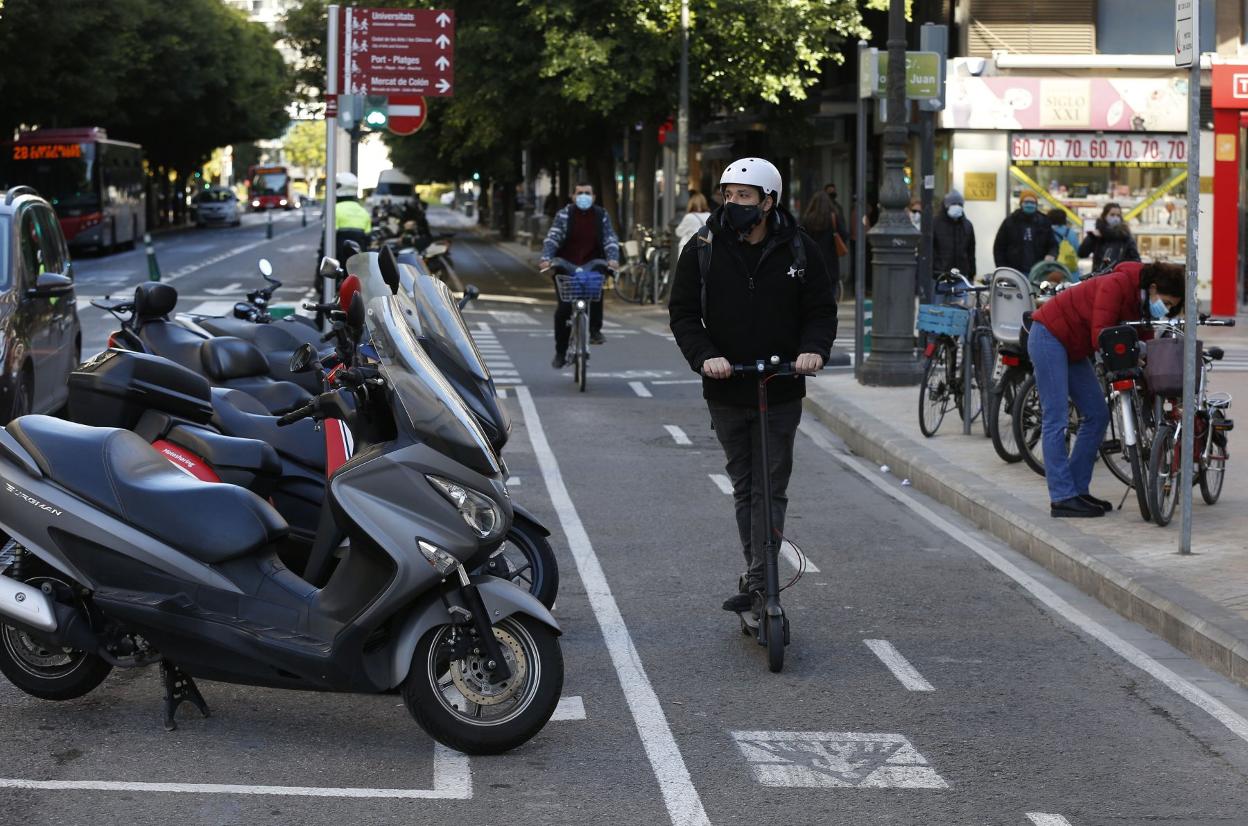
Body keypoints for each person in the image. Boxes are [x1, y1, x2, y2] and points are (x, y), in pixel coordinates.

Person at [667, 157, 837, 618]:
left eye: (744, 196)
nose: (734, 203)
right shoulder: (703, 247)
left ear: (768, 201)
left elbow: (821, 310)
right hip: (726, 387)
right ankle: (757, 571)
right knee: (746, 484)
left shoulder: (799, 249)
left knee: (772, 485)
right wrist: (706, 357)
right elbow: (682, 314)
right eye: (728, 195)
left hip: (780, 386)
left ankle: (764, 581)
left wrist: (813, 350)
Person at [1028, 261, 1185, 518]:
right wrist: (1135, 354)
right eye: (1166, 303)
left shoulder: (1140, 300)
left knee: (1097, 414)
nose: (1164, 309)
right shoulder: (1117, 284)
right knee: (1055, 418)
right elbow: (1101, 335)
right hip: (1049, 335)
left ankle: (1077, 489)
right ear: (1154, 288)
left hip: (1073, 346)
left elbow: (1143, 342)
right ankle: (1062, 497)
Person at [539, 181, 620, 367]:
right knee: (564, 310)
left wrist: (613, 259)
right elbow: (553, 237)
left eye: (588, 192)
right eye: (580, 192)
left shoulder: (601, 215)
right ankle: (560, 351)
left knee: (597, 289)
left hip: (592, 265)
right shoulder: (564, 214)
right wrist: (546, 258)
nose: (584, 196)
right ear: (573, 196)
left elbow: (609, 239)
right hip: (566, 266)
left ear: (593, 197)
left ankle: (595, 330)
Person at [993, 189, 1057, 274]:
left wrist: (1051, 255)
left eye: (1033, 202)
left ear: (1036, 204)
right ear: (1021, 204)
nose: (1029, 205)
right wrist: (1003, 269)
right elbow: (999, 247)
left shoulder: (1044, 222)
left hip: (1038, 272)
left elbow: (1053, 245)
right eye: (1026, 202)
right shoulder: (1010, 222)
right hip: (1014, 272)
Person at [799, 191, 843, 300]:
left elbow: (801, 239)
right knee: (830, 295)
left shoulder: (807, 219)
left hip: (810, 261)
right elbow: (844, 234)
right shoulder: (833, 218)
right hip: (830, 262)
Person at [1078, 202, 1140, 274]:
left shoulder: (1125, 236)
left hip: (1118, 277)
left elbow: (1136, 260)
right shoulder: (1097, 235)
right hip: (1098, 277)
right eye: (1112, 215)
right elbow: (1082, 253)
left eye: (1118, 215)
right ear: (1104, 216)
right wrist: (1091, 237)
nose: (1115, 218)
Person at [931, 189, 976, 279]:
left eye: (960, 204)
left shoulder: (967, 225)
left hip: (962, 276)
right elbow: (930, 250)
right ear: (946, 206)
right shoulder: (935, 224)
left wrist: (971, 273)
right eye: (954, 204)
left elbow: (971, 252)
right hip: (940, 276)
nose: (957, 207)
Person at [333, 172, 371, 263]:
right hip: (359, 266)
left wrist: (319, 274)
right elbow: (367, 241)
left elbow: (325, 243)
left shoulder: (334, 210)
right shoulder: (364, 212)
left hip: (338, 265)